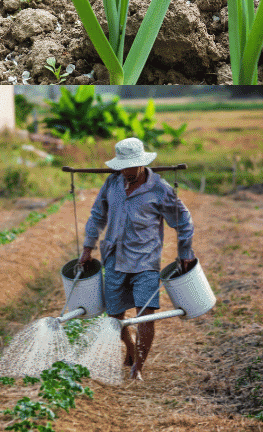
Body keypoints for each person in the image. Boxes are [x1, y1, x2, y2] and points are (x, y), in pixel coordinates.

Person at [79, 137, 195, 380]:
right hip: (114, 258)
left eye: (131, 167)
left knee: (146, 315)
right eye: (122, 167)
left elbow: (183, 221)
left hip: (146, 261)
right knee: (114, 316)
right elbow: (97, 215)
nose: (126, 172)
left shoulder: (159, 189)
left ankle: (137, 369)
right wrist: (87, 248)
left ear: (142, 164)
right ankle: (130, 349)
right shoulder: (112, 183)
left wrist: (185, 252)